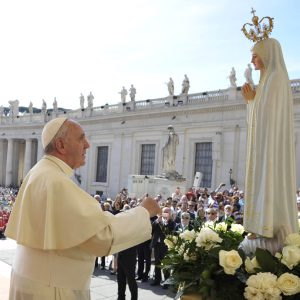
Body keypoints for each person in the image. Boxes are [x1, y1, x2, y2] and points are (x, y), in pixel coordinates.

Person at [5, 117, 161, 300]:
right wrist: (143, 211)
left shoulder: (40, 172)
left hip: (35, 281)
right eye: (81, 138)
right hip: (53, 289)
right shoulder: (56, 182)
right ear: (61, 145)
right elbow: (102, 238)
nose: (87, 144)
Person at [241, 12, 298, 254]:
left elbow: (269, 116)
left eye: (255, 55)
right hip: (263, 145)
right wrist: (252, 101)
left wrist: (254, 101)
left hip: (270, 147)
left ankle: (269, 225)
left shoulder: (276, 79)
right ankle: (258, 225)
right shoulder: (265, 81)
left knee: (268, 176)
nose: (253, 61)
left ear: (267, 54)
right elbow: (259, 113)